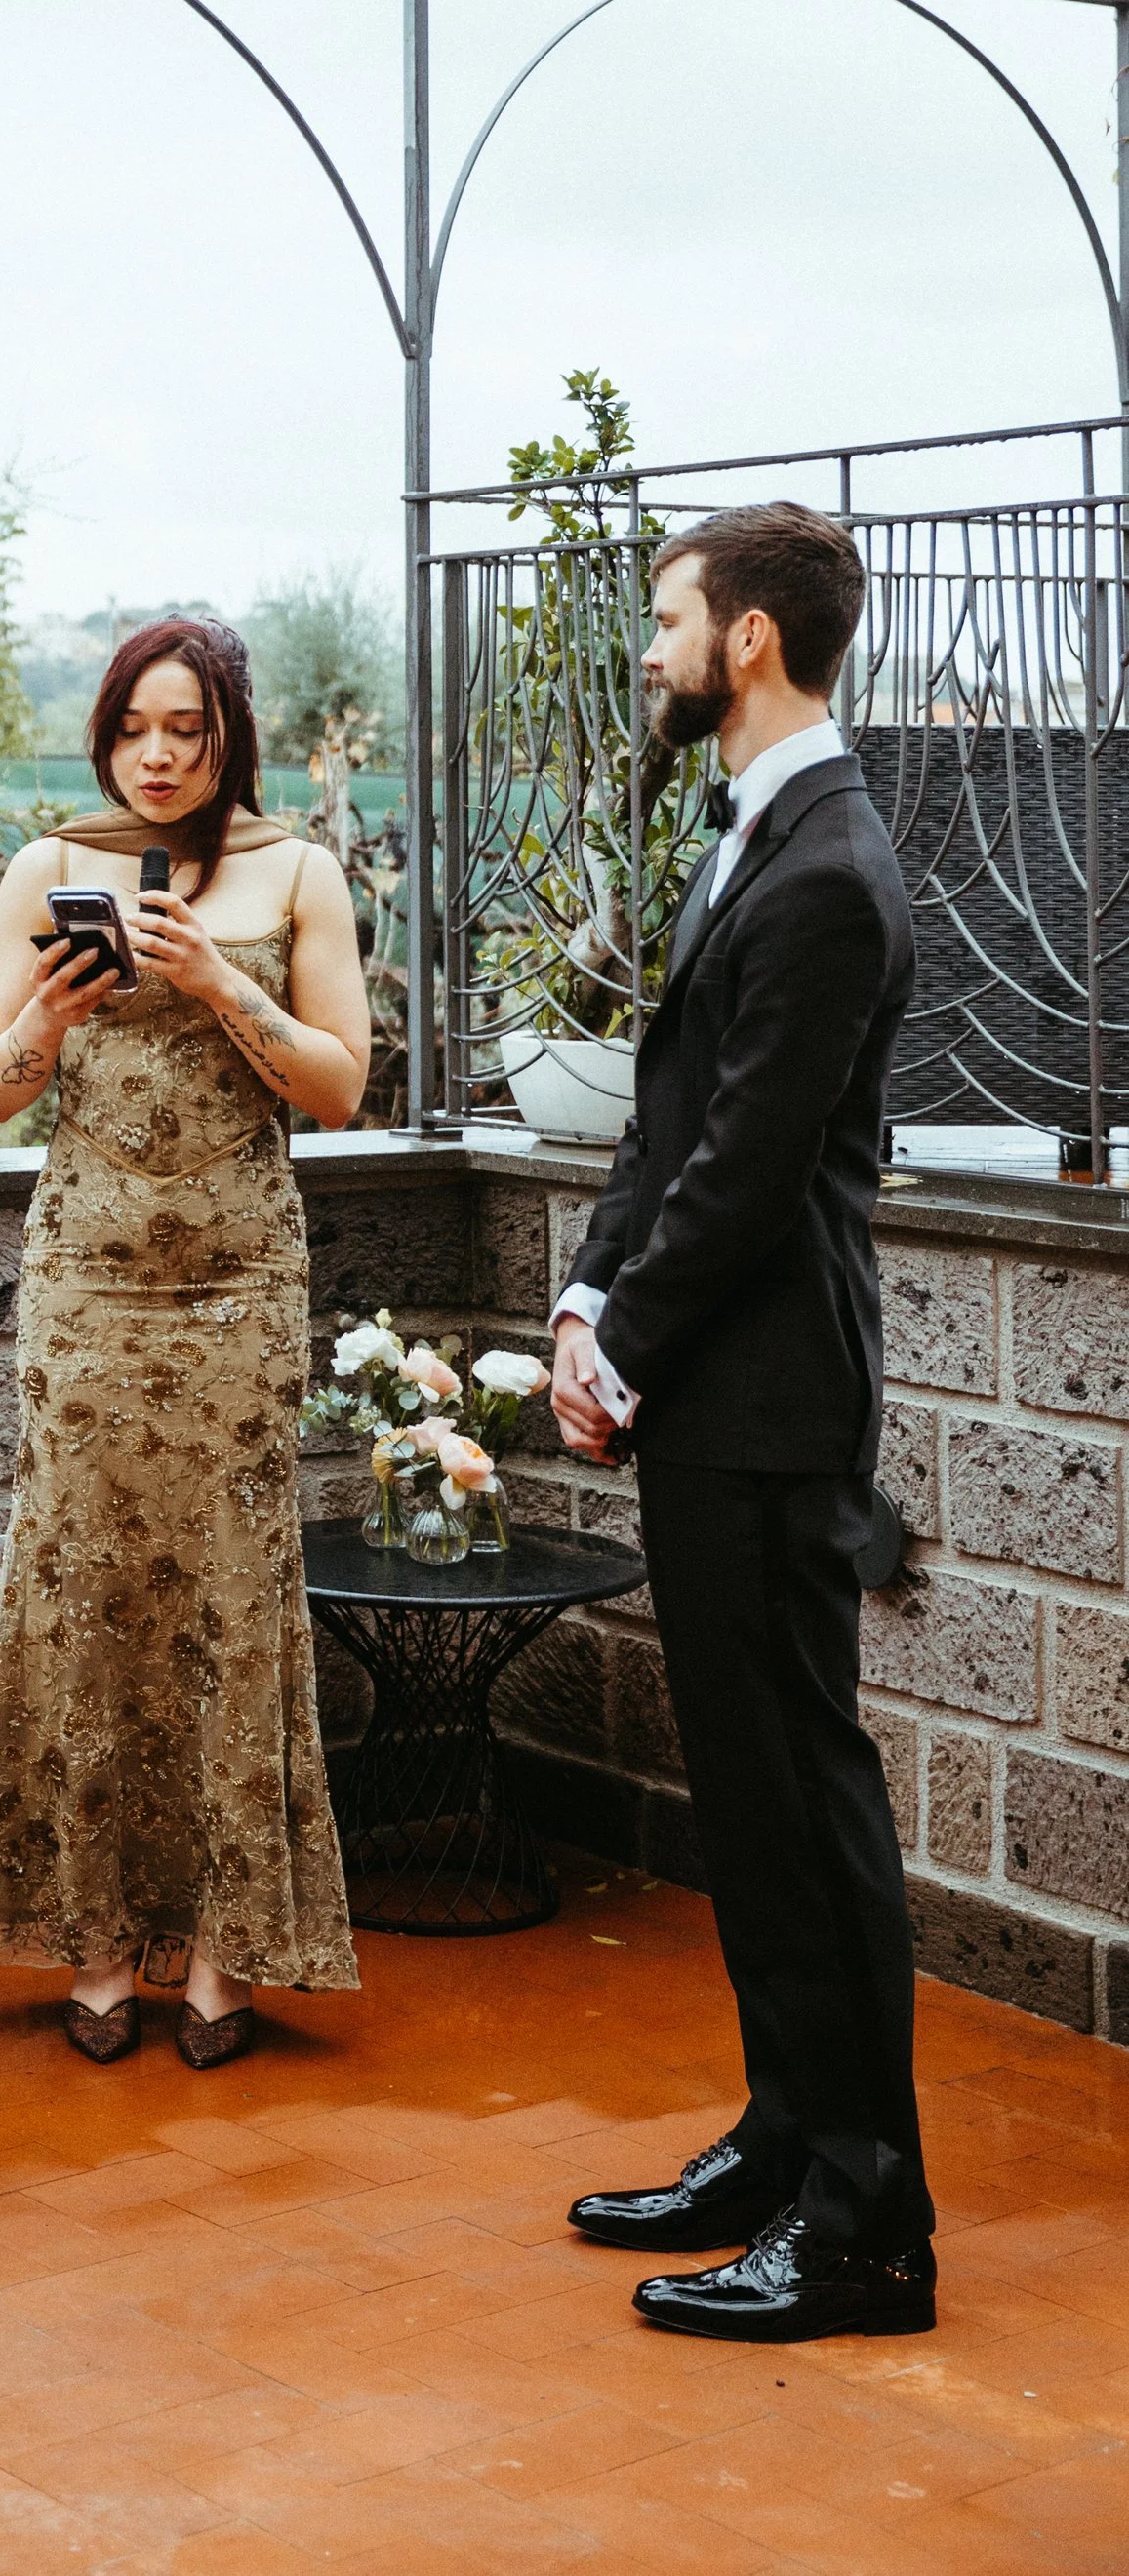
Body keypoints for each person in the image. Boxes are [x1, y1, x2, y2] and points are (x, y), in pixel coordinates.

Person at [549, 503, 932, 2344]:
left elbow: (759, 1171)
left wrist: (623, 1348)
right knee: (753, 1802)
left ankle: (866, 2222)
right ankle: (787, 2141)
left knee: (805, 1796)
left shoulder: (835, 871)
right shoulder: (756, 839)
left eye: (668, 616)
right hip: (709, 1391)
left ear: (753, 640)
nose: (651, 646)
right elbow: (667, 1119)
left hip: (775, 1407)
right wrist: (579, 1302)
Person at [0, 617, 370, 2064]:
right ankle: (100, 1939)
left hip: (238, 1288)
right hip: (89, 1288)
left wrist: (223, 984)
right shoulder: (45, 872)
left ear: (230, 733)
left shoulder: (300, 873)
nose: (159, 754)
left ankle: (231, 1950)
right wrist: (51, 1005)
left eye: (188, 728)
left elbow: (345, 1089)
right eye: (134, 729)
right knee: (84, 1587)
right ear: (106, 737)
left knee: (235, 1597)